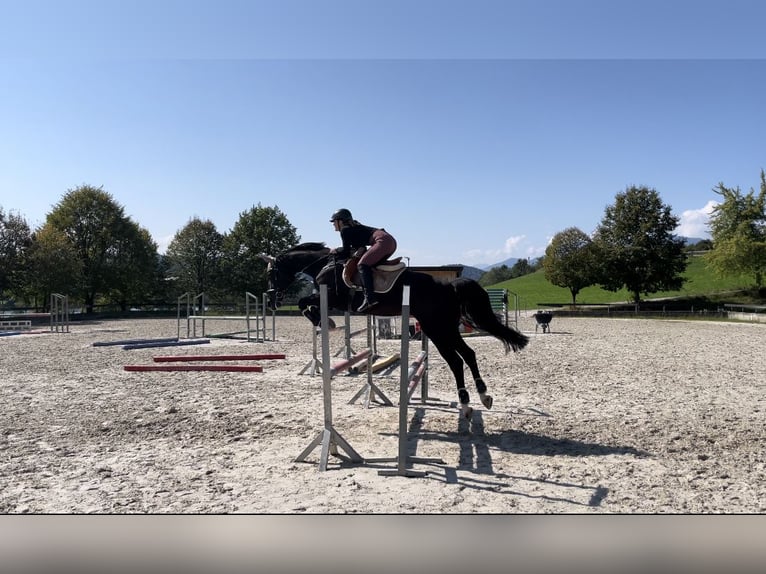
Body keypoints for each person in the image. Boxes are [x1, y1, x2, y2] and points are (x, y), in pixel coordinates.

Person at [329, 208, 397, 313]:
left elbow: (346, 251)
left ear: (340, 221)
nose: (333, 224)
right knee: (369, 265)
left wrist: (335, 251)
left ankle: (370, 299)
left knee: (362, 265)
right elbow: (360, 248)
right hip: (389, 241)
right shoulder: (353, 228)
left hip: (382, 241)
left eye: (334, 222)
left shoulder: (345, 230)